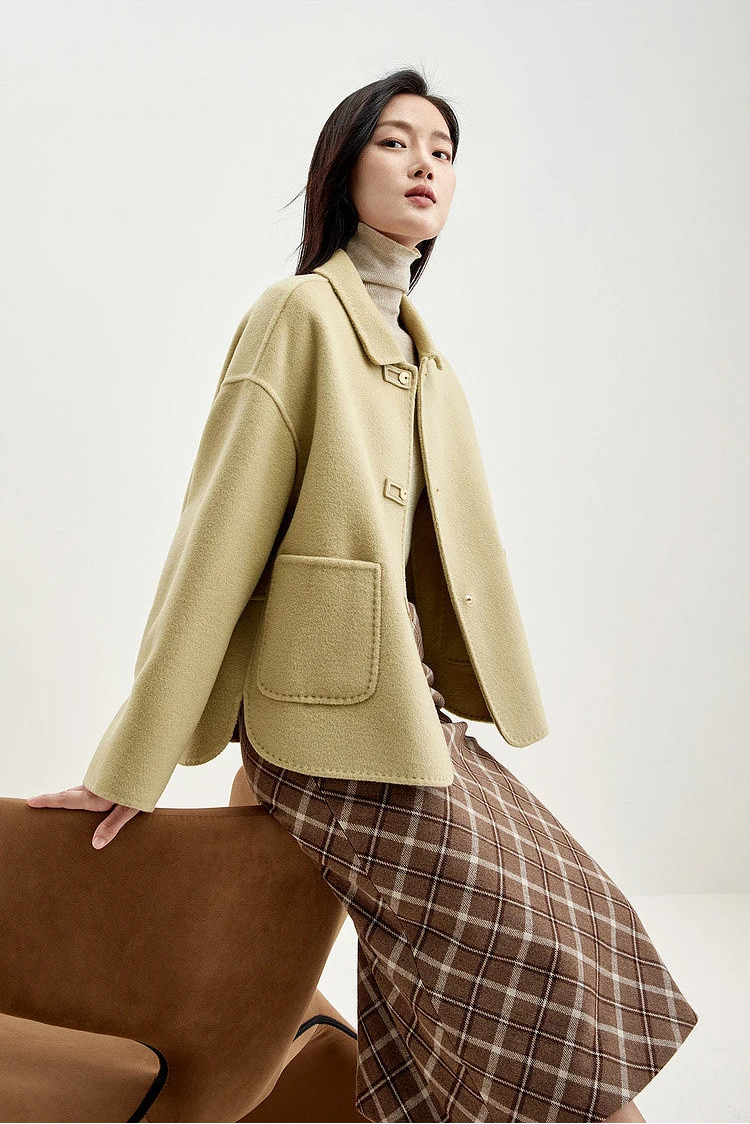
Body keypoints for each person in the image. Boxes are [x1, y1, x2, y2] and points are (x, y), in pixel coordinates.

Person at [28, 67, 698, 1124]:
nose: (426, 161)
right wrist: (134, 758)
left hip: (411, 720)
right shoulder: (297, 316)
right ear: (343, 172)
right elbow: (216, 543)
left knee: (567, 920)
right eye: (396, 141)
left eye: (442, 147)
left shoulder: (425, 359)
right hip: (322, 730)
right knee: (535, 951)